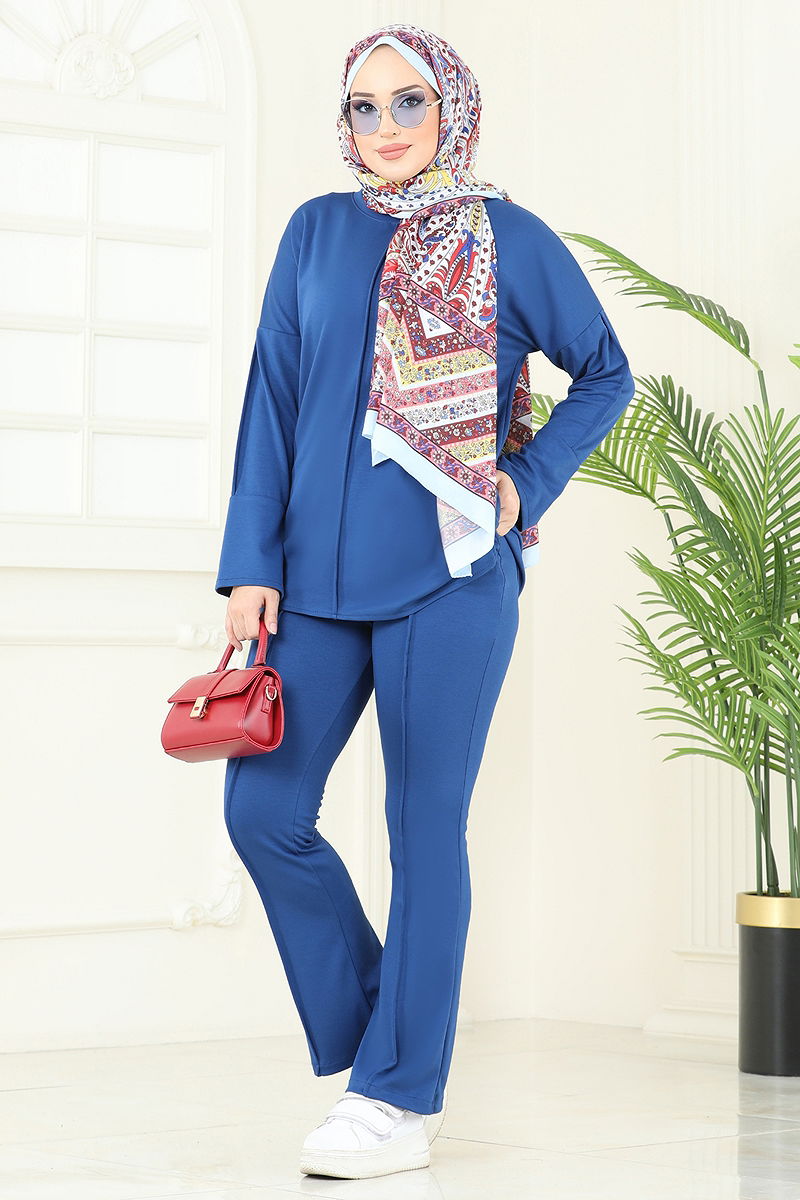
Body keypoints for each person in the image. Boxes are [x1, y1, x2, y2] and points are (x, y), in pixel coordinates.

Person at [215, 22, 635, 1181]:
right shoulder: (314, 231)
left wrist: (523, 483)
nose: (387, 125)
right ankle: (388, 1033)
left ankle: (396, 1101)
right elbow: (271, 397)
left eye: (410, 101)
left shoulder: (507, 237)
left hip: (448, 578)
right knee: (261, 813)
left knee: (421, 829)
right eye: (365, 106)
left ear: (451, 107)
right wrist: (250, 563)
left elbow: (605, 373)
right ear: (343, 122)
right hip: (309, 585)